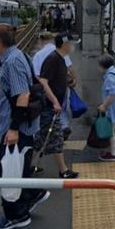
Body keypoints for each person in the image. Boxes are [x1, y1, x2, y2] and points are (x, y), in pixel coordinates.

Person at [0, 24, 50, 229]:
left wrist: (13, 128)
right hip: (25, 125)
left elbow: (22, 95)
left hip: (19, 127)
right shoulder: (18, 55)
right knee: (16, 164)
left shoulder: (12, 62)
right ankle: (33, 193)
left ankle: (16, 215)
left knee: (9, 168)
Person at [34, 33, 79, 179]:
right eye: (70, 44)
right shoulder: (53, 59)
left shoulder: (59, 58)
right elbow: (44, 81)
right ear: (64, 44)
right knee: (56, 138)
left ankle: (28, 165)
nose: (72, 47)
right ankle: (63, 170)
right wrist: (54, 101)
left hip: (52, 106)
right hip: (50, 106)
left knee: (43, 138)